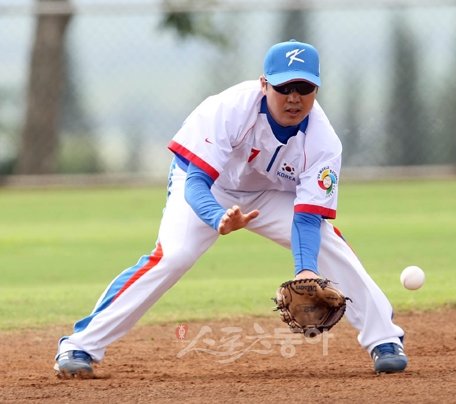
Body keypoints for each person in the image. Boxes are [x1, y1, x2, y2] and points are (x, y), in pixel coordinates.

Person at [54, 39, 408, 378]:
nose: (294, 97)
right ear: (264, 84)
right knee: (174, 256)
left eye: (304, 87)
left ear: (316, 89)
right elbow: (196, 182)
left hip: (269, 194)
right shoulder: (229, 109)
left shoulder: (323, 141)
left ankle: (385, 340)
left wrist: (305, 269)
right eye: (284, 87)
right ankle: (80, 346)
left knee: (329, 244)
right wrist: (216, 216)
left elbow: (308, 215)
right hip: (211, 188)